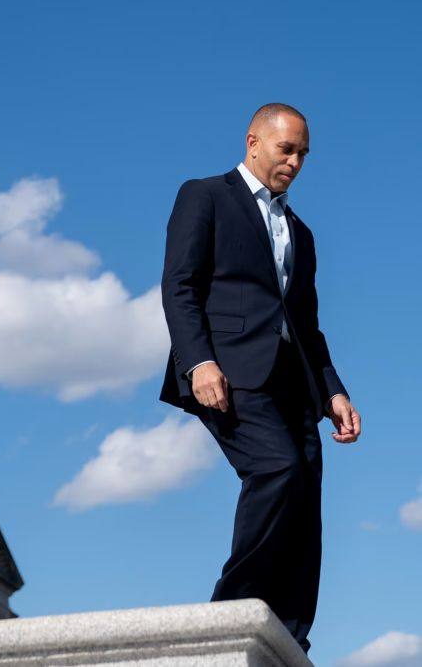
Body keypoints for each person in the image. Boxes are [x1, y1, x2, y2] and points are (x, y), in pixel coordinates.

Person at [159, 103, 361, 652]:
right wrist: (198, 361)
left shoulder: (302, 232)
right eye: (285, 149)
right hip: (228, 371)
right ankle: (229, 618)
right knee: (277, 468)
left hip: (294, 382)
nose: (294, 162)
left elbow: (308, 325)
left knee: (306, 497)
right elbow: (180, 285)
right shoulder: (205, 195)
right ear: (253, 142)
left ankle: (290, 636)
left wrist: (334, 390)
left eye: (303, 154)